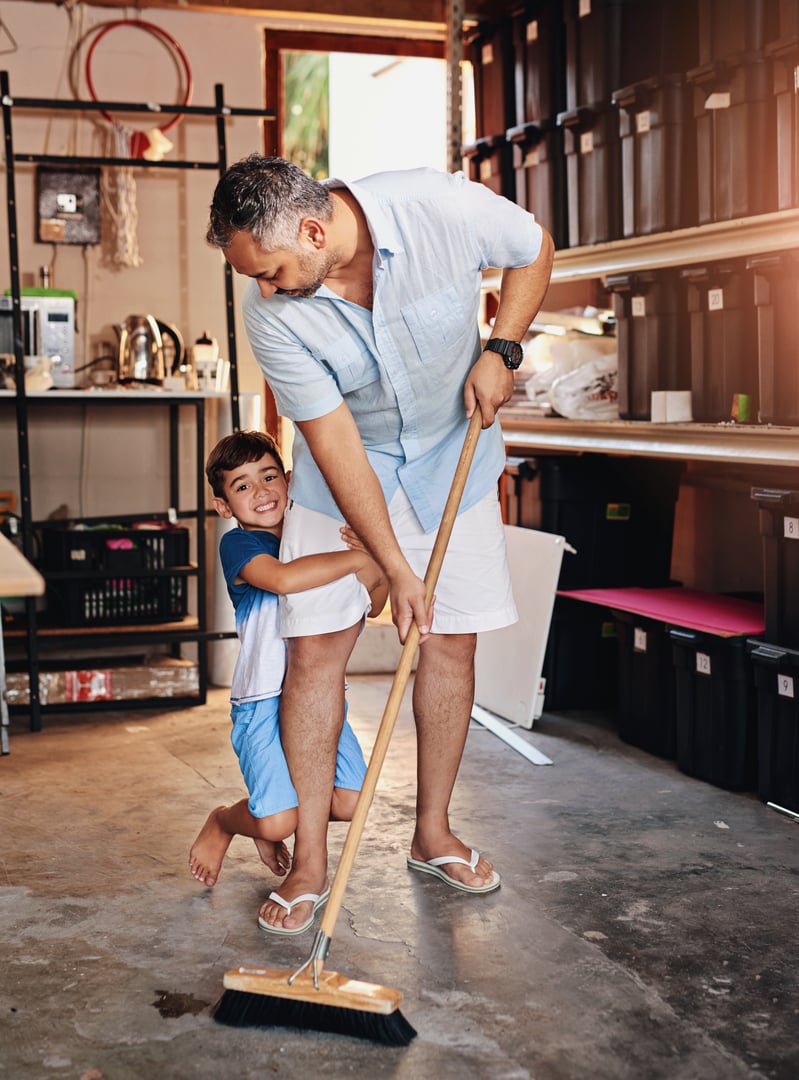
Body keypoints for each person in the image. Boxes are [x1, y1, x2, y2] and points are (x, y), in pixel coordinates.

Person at [206, 156, 554, 933]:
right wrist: (392, 566)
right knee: (315, 653)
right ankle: (309, 866)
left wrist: (502, 349)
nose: (264, 287)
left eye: (273, 270)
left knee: (448, 645)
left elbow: (533, 248)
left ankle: (432, 834)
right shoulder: (269, 312)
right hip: (348, 472)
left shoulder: (434, 207)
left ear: (312, 228)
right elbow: (332, 442)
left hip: (451, 455)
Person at [188, 429, 387, 936]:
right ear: (222, 505)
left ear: (290, 478)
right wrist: (360, 558)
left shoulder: (317, 536)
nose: (261, 491)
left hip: (321, 699)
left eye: (269, 476)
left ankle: (269, 818)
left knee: (348, 801)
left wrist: (375, 563)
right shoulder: (240, 546)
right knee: (281, 822)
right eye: (242, 486)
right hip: (261, 703)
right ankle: (227, 821)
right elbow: (281, 580)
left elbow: (376, 602)